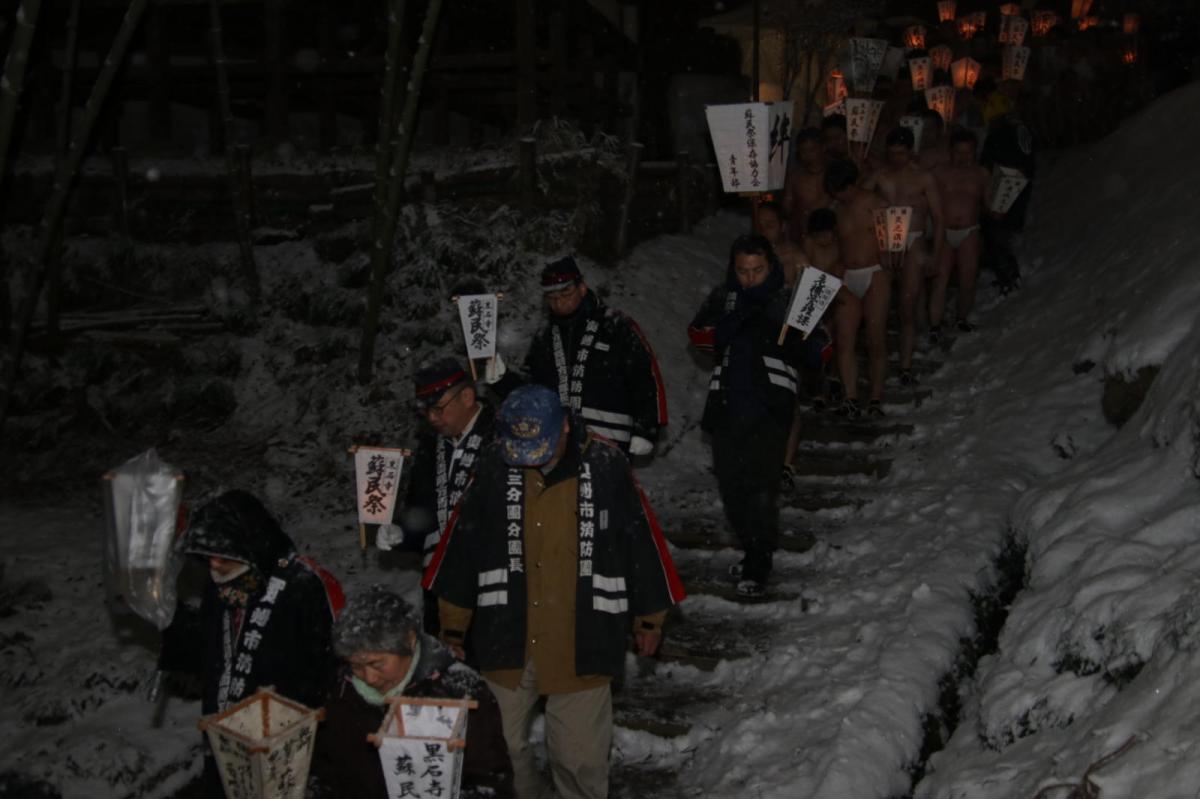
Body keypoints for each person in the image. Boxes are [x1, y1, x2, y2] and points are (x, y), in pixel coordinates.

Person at [423, 384, 685, 799]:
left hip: (583, 632)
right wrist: (452, 627)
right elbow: (461, 548)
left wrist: (650, 617)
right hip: (505, 632)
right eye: (519, 448)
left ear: (564, 425)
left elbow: (642, 542)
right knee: (498, 748)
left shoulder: (605, 465)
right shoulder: (494, 465)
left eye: (539, 446)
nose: (529, 459)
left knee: (579, 758)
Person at [160, 490, 342, 796]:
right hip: (225, 738)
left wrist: (288, 719)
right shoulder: (220, 587)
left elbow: (327, 666)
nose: (214, 565)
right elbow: (206, 655)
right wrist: (168, 616)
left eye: (222, 556)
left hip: (285, 741)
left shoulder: (302, 584)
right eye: (208, 558)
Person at [688, 234, 814, 595]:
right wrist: (738, 315)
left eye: (757, 270)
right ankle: (752, 548)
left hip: (770, 407)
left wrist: (788, 337)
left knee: (761, 489)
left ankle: (759, 563)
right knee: (732, 491)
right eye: (743, 271)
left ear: (770, 266)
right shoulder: (723, 296)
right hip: (727, 406)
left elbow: (820, 351)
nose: (749, 278)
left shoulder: (789, 298)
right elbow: (699, 337)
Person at [310, 587, 514, 799]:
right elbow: (325, 771)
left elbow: (491, 782)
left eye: (377, 664)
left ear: (409, 641)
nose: (369, 677)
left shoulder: (459, 691)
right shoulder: (342, 692)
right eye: (357, 666)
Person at [376, 357, 498, 635]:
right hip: (437, 582)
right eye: (425, 411)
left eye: (438, 408)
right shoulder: (431, 447)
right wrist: (401, 534)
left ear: (467, 396)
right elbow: (420, 512)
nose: (432, 418)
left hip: (488, 581)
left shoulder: (499, 435)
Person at [522, 256, 667, 456]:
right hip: (557, 439)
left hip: (608, 439)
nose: (559, 302)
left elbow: (645, 375)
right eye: (552, 297)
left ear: (582, 288)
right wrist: (502, 379)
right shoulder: (545, 335)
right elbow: (531, 386)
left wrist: (647, 428)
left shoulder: (615, 325)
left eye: (566, 292)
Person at [863, 127, 945, 386]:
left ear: (911, 152)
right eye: (893, 153)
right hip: (885, 242)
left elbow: (939, 219)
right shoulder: (880, 176)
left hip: (913, 240)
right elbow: (857, 200)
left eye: (902, 153)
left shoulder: (924, 178)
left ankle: (906, 364)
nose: (897, 157)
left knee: (907, 304)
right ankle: (882, 359)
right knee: (883, 305)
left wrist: (935, 254)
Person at [825, 159, 890, 419]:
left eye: (841, 190)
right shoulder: (836, 209)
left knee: (875, 337)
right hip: (848, 274)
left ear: (850, 185)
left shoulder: (876, 204)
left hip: (875, 272)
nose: (838, 195)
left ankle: (875, 397)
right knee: (845, 339)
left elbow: (894, 239)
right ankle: (850, 396)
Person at [931, 129, 991, 336]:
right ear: (951, 152)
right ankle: (934, 326)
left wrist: (999, 209)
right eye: (959, 152)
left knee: (967, 280)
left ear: (975, 152)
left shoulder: (981, 174)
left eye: (968, 152)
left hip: (969, 231)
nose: (963, 157)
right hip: (944, 230)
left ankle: (962, 318)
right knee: (940, 279)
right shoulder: (939, 172)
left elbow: (989, 204)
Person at [980, 79, 1035, 295]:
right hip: (1014, 178)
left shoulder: (1007, 129)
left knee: (996, 228)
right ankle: (1008, 273)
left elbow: (992, 160)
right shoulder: (1014, 125)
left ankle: (1008, 275)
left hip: (1008, 180)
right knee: (999, 228)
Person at [782, 127, 831, 244]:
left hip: (831, 233)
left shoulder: (833, 172)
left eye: (812, 150)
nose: (808, 155)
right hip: (802, 234)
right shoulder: (795, 176)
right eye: (803, 151)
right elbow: (786, 206)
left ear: (822, 148)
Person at [755, 200, 807, 287]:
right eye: (759, 226)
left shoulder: (796, 258)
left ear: (783, 226)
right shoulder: (749, 256)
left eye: (769, 226)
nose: (763, 231)